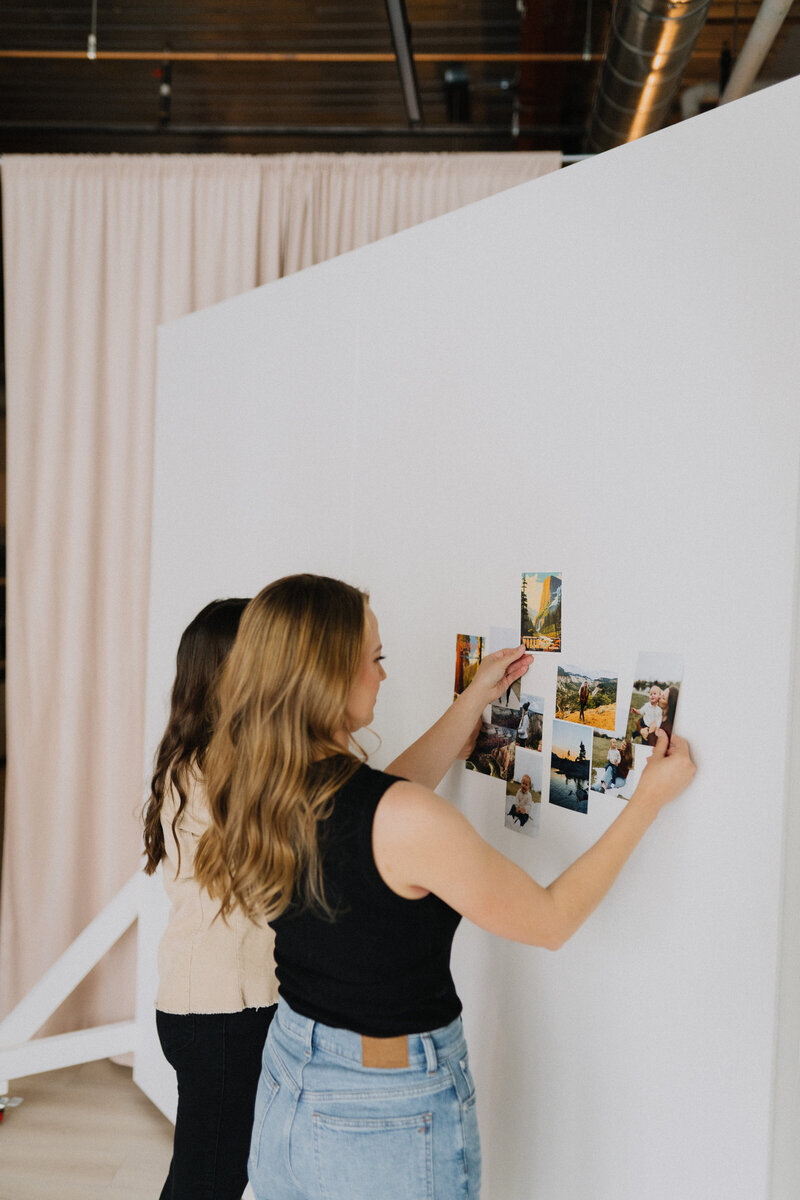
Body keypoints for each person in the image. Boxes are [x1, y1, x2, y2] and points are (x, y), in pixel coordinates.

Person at [195, 574, 695, 1200]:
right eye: (375, 659)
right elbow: (550, 920)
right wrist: (647, 799)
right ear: (326, 679)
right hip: (381, 1108)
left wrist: (471, 702)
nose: (384, 675)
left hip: (290, 1076)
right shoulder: (400, 819)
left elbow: (372, 816)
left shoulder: (261, 784)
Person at [142, 599, 279, 1200]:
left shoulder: (190, 760)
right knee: (209, 1177)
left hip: (205, 1006)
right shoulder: (221, 771)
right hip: (222, 1011)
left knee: (213, 1169)